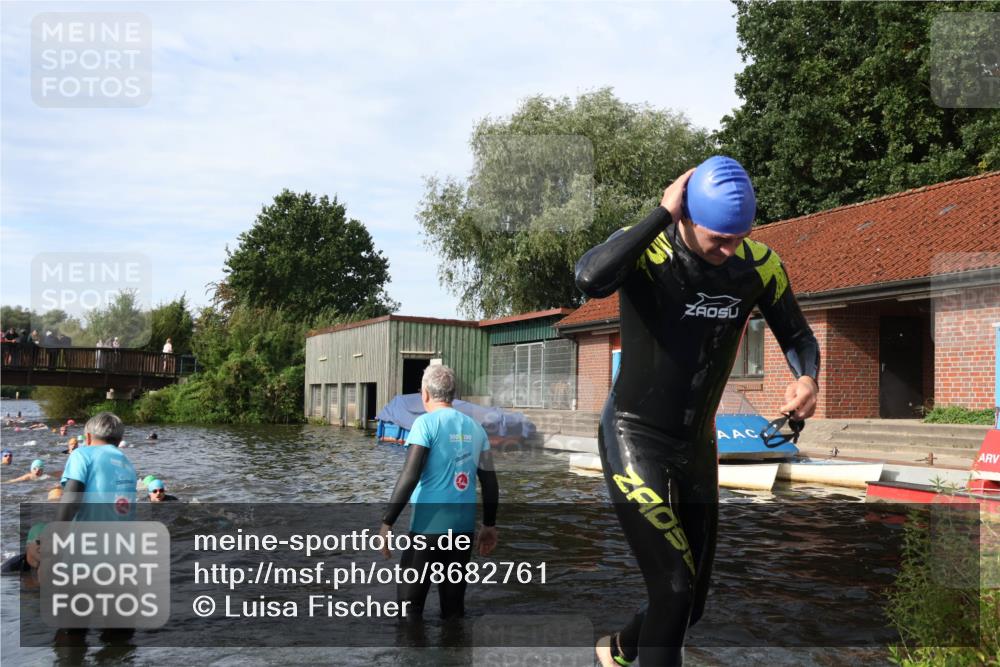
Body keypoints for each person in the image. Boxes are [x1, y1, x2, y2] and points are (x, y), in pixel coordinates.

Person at [575, 156, 820, 666]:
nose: (729, 250)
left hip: (696, 445)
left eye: (739, 237)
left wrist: (806, 378)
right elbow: (590, 278)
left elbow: (797, 335)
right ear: (685, 217)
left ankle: (620, 648)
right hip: (633, 434)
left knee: (693, 604)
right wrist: (661, 213)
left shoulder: (759, 266)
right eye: (718, 239)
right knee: (673, 588)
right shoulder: (650, 249)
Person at [379, 364, 500, 619]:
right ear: (453, 394)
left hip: (427, 530)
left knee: (409, 611)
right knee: (454, 609)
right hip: (462, 533)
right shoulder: (476, 428)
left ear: (424, 394)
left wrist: (387, 522)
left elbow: (410, 475)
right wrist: (489, 525)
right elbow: (489, 483)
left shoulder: (424, 424)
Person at [57, 412, 137, 522]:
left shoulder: (81, 454)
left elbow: (71, 500)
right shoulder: (128, 465)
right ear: (119, 440)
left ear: (88, 437)